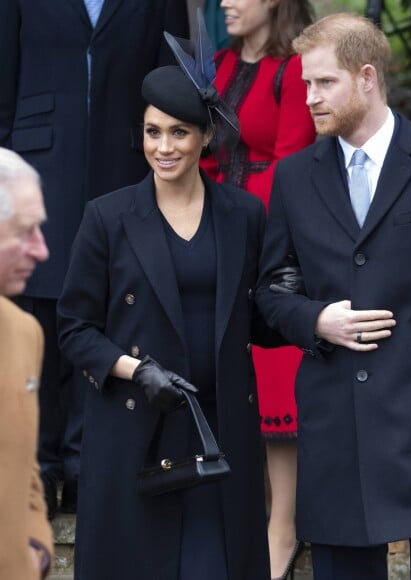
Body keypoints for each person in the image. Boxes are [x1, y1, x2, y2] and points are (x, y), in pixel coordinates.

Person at [255, 12, 411, 580]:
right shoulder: (294, 178)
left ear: (366, 77)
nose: (310, 98)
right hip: (335, 431)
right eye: (305, 86)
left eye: (324, 83)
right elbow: (269, 293)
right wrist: (316, 319)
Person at [56, 25, 281, 578]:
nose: (163, 147)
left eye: (178, 132)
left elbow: (260, 318)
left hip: (220, 430)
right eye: (152, 132)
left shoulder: (244, 216)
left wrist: (307, 309)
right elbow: (74, 328)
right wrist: (136, 370)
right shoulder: (106, 217)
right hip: (136, 429)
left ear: (205, 137)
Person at [0, 0, 190, 519]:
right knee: (39, 313)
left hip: (124, 163)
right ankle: (37, 469)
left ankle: (88, 470)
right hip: (38, 165)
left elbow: (172, 79)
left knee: (108, 314)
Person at [201, 1, 315, 577]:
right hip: (217, 233)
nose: (226, 1)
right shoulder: (217, 63)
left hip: (271, 240)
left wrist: (252, 233)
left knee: (276, 381)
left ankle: (284, 527)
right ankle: (248, 520)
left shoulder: (294, 69)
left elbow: (295, 162)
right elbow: (204, 157)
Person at [0, 147, 52, 579]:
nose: (42, 251)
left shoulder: (25, 333)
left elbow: (25, 466)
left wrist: (38, 546)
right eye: (25, 232)